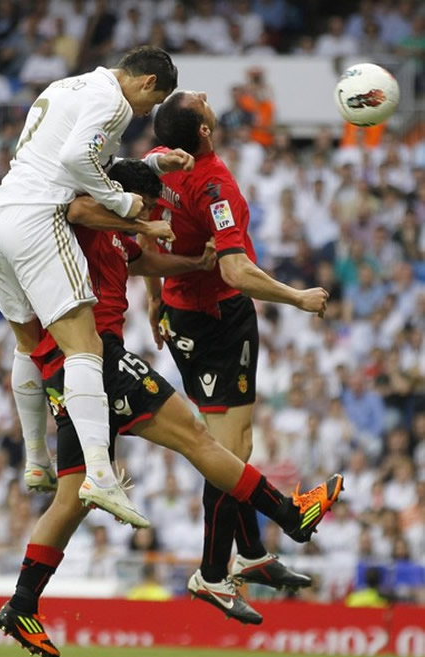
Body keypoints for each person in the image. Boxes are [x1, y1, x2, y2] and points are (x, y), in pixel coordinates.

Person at [0, 160, 343, 657]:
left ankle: (22, 602)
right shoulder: (87, 218)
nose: (157, 221)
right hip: (98, 358)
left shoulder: (118, 236)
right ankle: (291, 516)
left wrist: (193, 264)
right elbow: (82, 206)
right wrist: (136, 216)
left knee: (71, 498)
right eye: (150, 208)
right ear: (125, 197)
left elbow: (142, 261)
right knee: (200, 439)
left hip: (74, 373)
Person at [0, 46, 193, 528]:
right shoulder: (113, 100)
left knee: (27, 343)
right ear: (146, 83)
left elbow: (80, 156)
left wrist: (153, 168)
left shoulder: (65, 87)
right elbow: (79, 160)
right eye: (147, 105)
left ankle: (36, 458)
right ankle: (99, 471)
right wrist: (123, 206)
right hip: (37, 221)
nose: (141, 114)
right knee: (85, 346)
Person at [145, 90, 331, 616]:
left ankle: (249, 555)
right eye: (199, 101)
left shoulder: (159, 165)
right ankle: (211, 573)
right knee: (230, 451)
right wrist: (297, 297)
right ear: (203, 130)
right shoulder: (211, 181)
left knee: (227, 446)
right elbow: (233, 269)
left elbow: (153, 238)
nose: (205, 97)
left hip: (181, 316)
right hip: (217, 321)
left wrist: (154, 301)